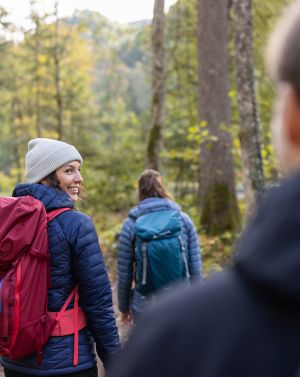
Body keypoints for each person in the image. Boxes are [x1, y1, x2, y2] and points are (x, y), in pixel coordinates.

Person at [109, 2, 300, 376]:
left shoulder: (178, 339)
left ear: (292, 117)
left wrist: (127, 305)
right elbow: (194, 261)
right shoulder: (180, 217)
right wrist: (193, 286)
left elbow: (124, 264)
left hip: (149, 303)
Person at [1, 138, 120, 377]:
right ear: (45, 177)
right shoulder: (76, 224)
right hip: (67, 363)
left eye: (78, 170)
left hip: (15, 359)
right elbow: (98, 303)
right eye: (69, 171)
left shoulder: (9, 220)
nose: (79, 178)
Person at [117, 169, 201, 324]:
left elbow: (124, 273)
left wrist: (124, 307)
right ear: (163, 189)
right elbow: (195, 266)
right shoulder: (184, 220)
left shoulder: (131, 225)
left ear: (140, 191)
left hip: (145, 302)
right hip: (182, 298)